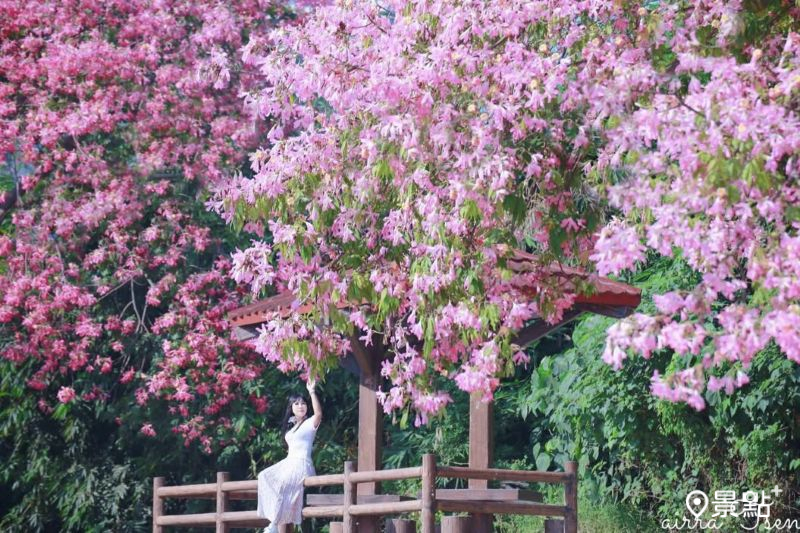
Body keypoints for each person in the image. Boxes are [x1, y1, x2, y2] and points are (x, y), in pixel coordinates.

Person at [257, 379, 322, 533]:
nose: (301, 406)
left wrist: (311, 392)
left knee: (282, 484)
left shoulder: (309, 424)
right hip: (289, 463)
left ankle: (274, 524)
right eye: (297, 404)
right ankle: (274, 520)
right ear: (291, 408)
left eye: (303, 403)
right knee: (264, 476)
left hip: (301, 464)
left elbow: (318, 413)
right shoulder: (292, 428)